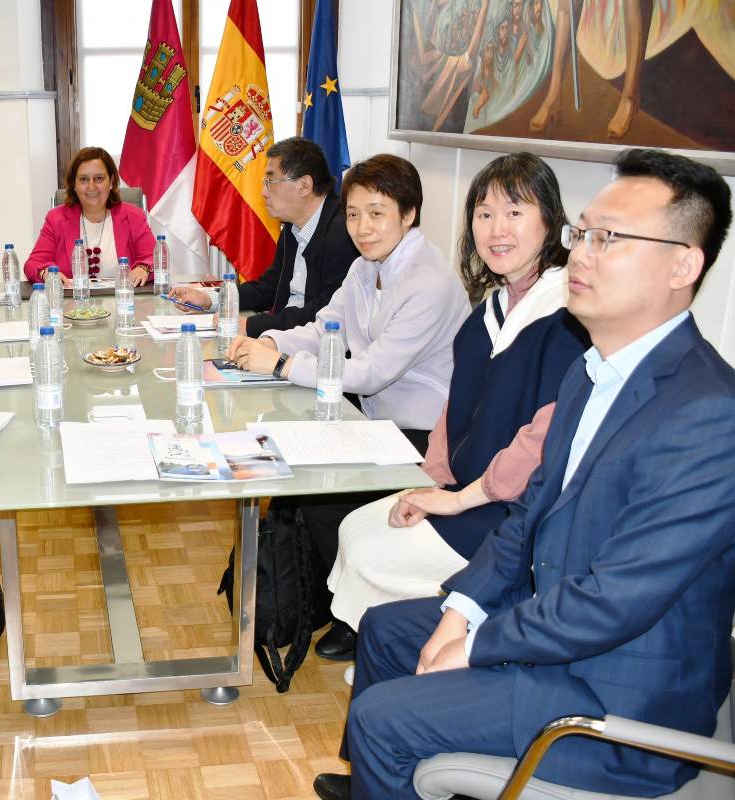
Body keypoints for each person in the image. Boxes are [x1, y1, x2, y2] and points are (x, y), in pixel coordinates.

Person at [313, 148, 735, 800]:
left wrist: (479, 644)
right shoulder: (590, 372)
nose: (584, 254)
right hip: (558, 644)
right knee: (389, 630)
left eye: (610, 239)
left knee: (381, 719)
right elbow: (527, 522)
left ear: (684, 263)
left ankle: (385, 760)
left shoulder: (709, 416)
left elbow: (613, 599)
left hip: (613, 702)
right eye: (584, 233)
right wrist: (463, 608)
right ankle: (380, 780)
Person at [317, 153, 588, 663]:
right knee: (356, 527)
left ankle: (423, 647)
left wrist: (460, 499)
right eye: (484, 215)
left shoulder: (567, 316)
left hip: (514, 512)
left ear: (550, 221)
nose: (496, 230)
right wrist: (430, 483)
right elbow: (453, 408)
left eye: (514, 213)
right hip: (466, 490)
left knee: (376, 546)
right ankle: (399, 644)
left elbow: (545, 442)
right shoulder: (489, 310)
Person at [227, 153, 468, 443]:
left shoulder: (430, 283)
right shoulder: (365, 265)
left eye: (376, 213)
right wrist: (270, 342)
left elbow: (373, 372)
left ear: (408, 214)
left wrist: (281, 364)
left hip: (426, 434)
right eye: (353, 214)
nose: (362, 228)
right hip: (373, 419)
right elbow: (326, 331)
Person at [166, 137, 358, 339]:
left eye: (270, 182)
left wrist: (252, 325)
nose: (263, 192)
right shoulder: (293, 226)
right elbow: (268, 288)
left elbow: (324, 312)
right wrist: (210, 299)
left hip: (317, 347)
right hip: (286, 338)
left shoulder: (344, 233)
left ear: (304, 186)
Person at [23, 146, 155, 286]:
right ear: (74, 184)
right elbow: (33, 264)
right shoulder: (56, 219)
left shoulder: (133, 216)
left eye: (98, 178)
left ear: (110, 182)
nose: (91, 187)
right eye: (84, 179)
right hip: (72, 305)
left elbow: (154, 257)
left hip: (123, 302)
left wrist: (144, 268)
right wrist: (46, 273)